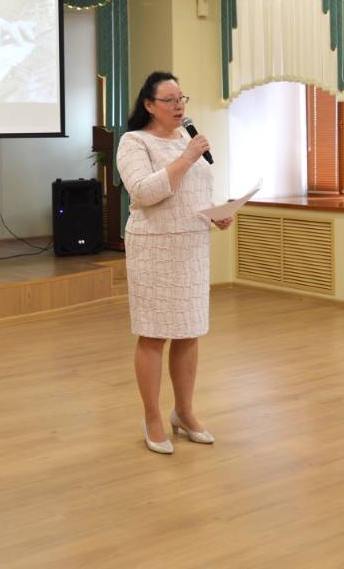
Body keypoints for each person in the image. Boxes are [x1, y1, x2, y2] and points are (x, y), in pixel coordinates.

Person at [115, 72, 233, 455]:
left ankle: (184, 412)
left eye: (182, 98)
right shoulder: (134, 142)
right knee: (153, 334)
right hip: (155, 249)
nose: (179, 105)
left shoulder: (186, 139)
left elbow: (194, 192)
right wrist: (186, 157)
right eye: (169, 99)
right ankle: (152, 418)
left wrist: (215, 213)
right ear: (149, 105)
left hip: (191, 248)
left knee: (188, 332)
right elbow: (143, 192)